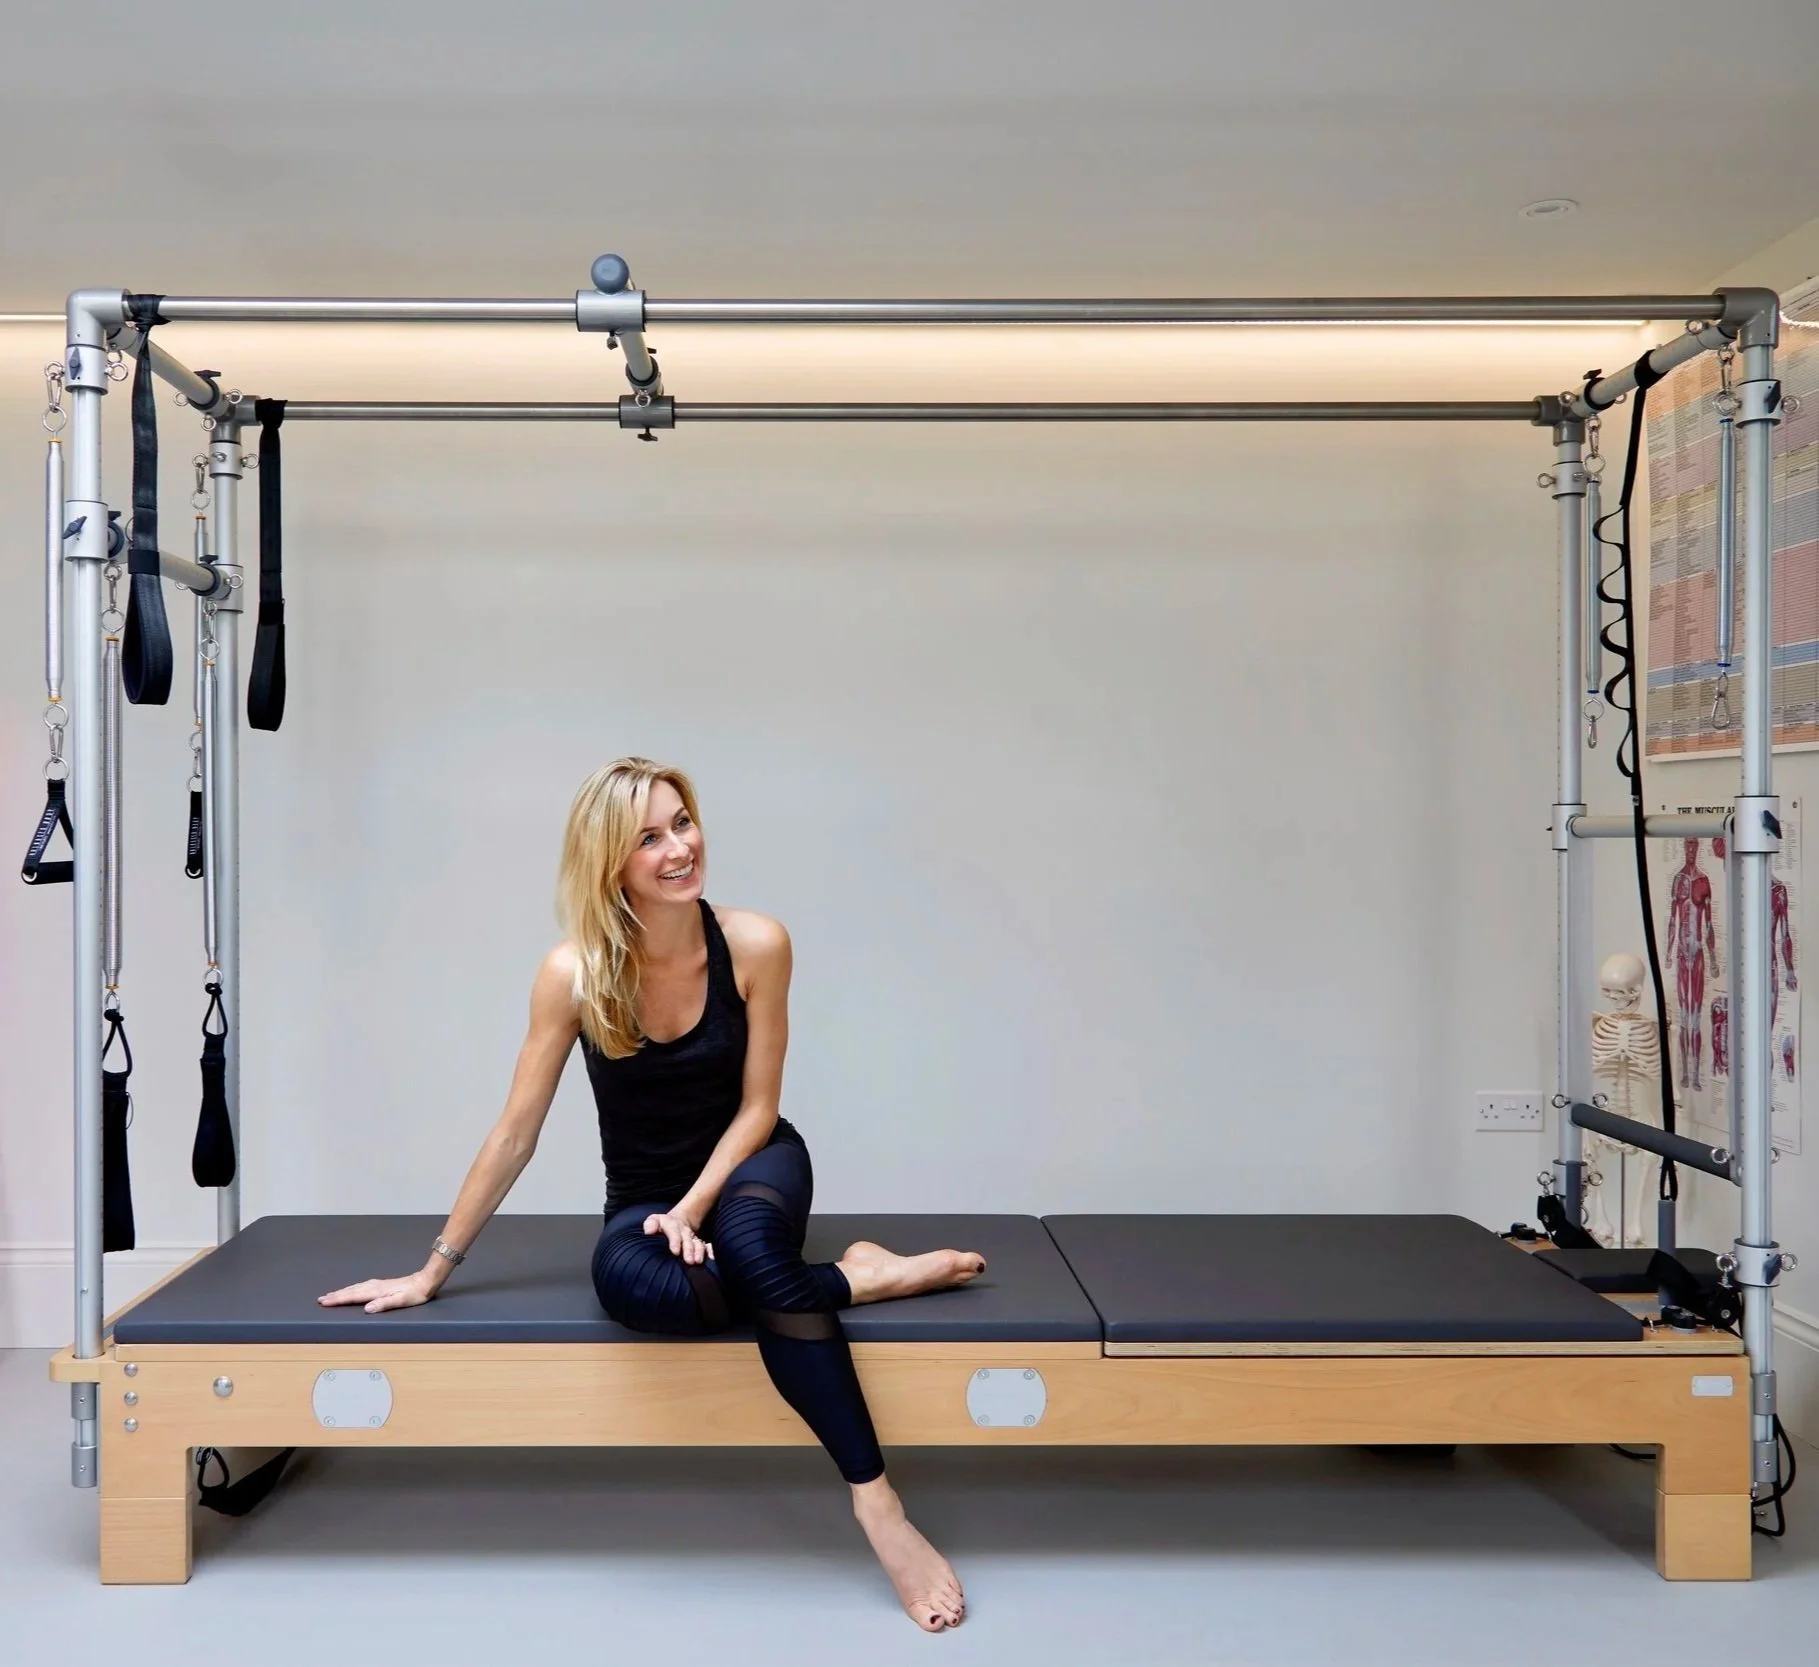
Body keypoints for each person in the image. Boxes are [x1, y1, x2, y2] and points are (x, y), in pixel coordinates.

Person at [319, 757, 985, 1631]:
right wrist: (430, 1271)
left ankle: (878, 1507)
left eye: (683, 822)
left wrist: (696, 1206)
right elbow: (516, 1130)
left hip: (752, 1167)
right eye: (650, 837)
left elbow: (759, 1109)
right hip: (641, 1198)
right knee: (643, 1287)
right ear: (609, 864)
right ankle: (864, 1278)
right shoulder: (573, 973)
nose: (680, 847)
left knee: (748, 1253)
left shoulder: (756, 943)